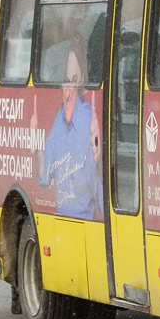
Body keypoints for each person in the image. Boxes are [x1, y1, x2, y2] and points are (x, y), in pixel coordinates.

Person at [29, 40, 103, 221]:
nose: (68, 91)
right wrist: (36, 149)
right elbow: (45, 177)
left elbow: (98, 187)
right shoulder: (60, 120)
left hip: (87, 224)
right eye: (66, 81)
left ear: (83, 82)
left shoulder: (88, 120)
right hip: (61, 223)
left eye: (74, 81)